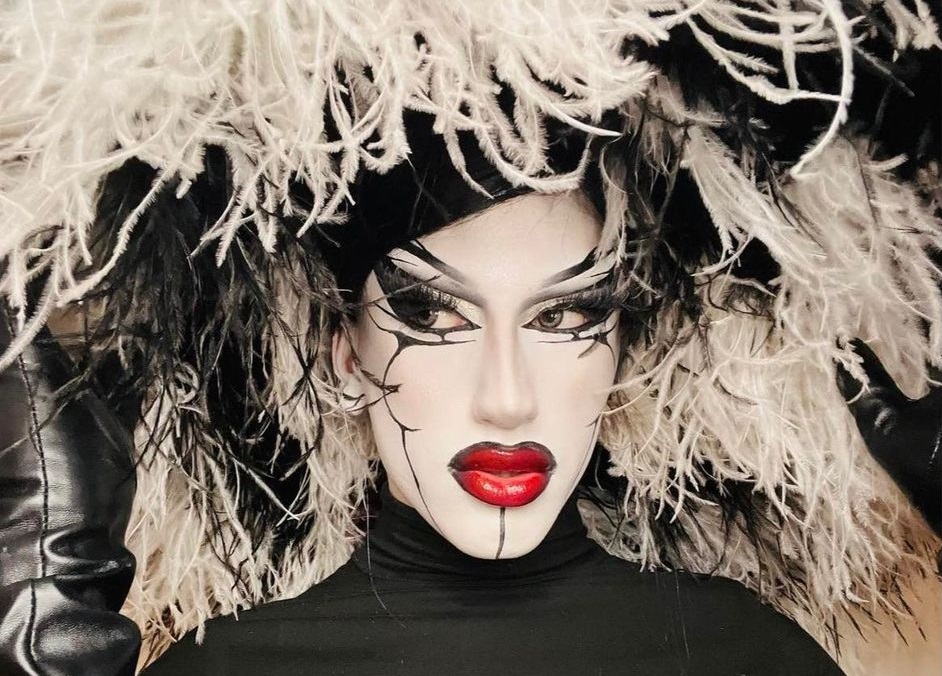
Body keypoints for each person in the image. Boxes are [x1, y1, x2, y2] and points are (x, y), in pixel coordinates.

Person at [0, 2, 940, 676]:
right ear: (345, 354)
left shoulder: (749, 654)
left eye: (565, 317)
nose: (507, 398)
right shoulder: (226, 668)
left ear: (621, 349)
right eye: (432, 315)